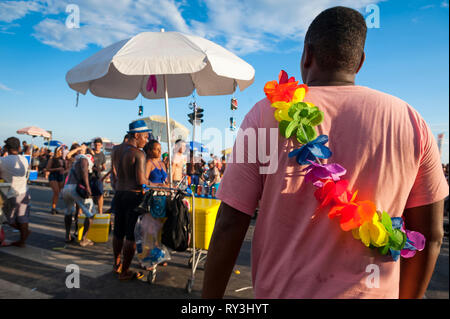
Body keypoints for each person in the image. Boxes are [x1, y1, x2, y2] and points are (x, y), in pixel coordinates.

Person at [202, 6, 449, 299]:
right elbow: (431, 235)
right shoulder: (412, 121)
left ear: (307, 55)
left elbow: (231, 222)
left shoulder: (263, 116)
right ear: (359, 62)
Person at [112, 120, 149, 281]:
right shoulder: (139, 153)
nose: (146, 140)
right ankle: (125, 271)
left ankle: (117, 263)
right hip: (133, 196)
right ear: (136, 135)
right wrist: (155, 184)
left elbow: (115, 173)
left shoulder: (119, 150)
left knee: (118, 232)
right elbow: (141, 180)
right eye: (145, 137)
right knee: (131, 236)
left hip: (119, 193)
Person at [61, 144, 97, 246]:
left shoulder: (75, 160)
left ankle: (67, 236)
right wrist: (88, 187)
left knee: (68, 212)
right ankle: (84, 239)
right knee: (91, 214)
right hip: (76, 189)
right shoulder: (85, 159)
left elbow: (68, 157)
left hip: (67, 188)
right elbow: (85, 172)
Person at [0, 137, 31, 247]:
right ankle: (22, 240)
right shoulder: (24, 160)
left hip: (9, 194)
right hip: (24, 192)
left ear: (6, 148)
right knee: (23, 217)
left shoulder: (2, 161)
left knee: (7, 219)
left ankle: (24, 233)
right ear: (19, 147)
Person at [45, 146, 66, 215]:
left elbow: (66, 168)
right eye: (60, 150)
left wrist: (64, 171)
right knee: (56, 191)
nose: (62, 152)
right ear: (57, 151)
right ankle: (53, 208)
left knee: (57, 193)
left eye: (62, 151)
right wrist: (56, 169)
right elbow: (47, 169)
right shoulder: (52, 159)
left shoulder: (63, 159)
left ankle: (54, 207)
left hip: (61, 176)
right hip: (53, 176)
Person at [91, 138, 107, 214]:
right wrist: (93, 168)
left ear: (101, 145)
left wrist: (101, 169)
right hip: (89, 177)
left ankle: (100, 212)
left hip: (98, 177)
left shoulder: (102, 155)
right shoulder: (90, 152)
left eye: (99, 145)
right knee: (89, 195)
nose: (97, 146)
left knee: (100, 195)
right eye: (96, 145)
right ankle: (90, 212)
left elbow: (104, 167)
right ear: (94, 145)